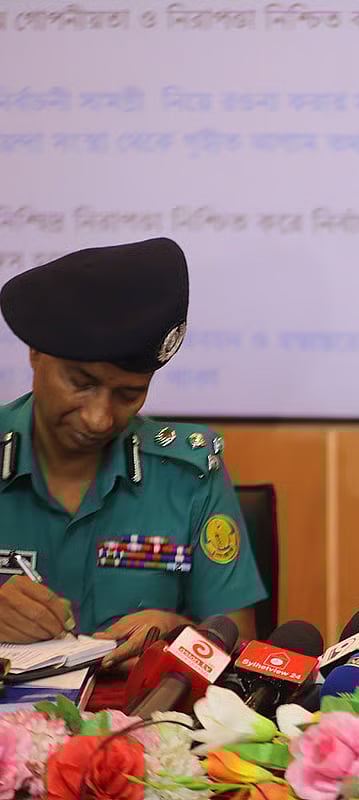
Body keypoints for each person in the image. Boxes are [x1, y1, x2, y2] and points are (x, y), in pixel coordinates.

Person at [0, 238, 265, 668]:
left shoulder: (188, 473)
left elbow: (238, 647)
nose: (99, 419)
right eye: (81, 383)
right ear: (35, 353)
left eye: (129, 394)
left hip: (142, 721)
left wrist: (177, 635)